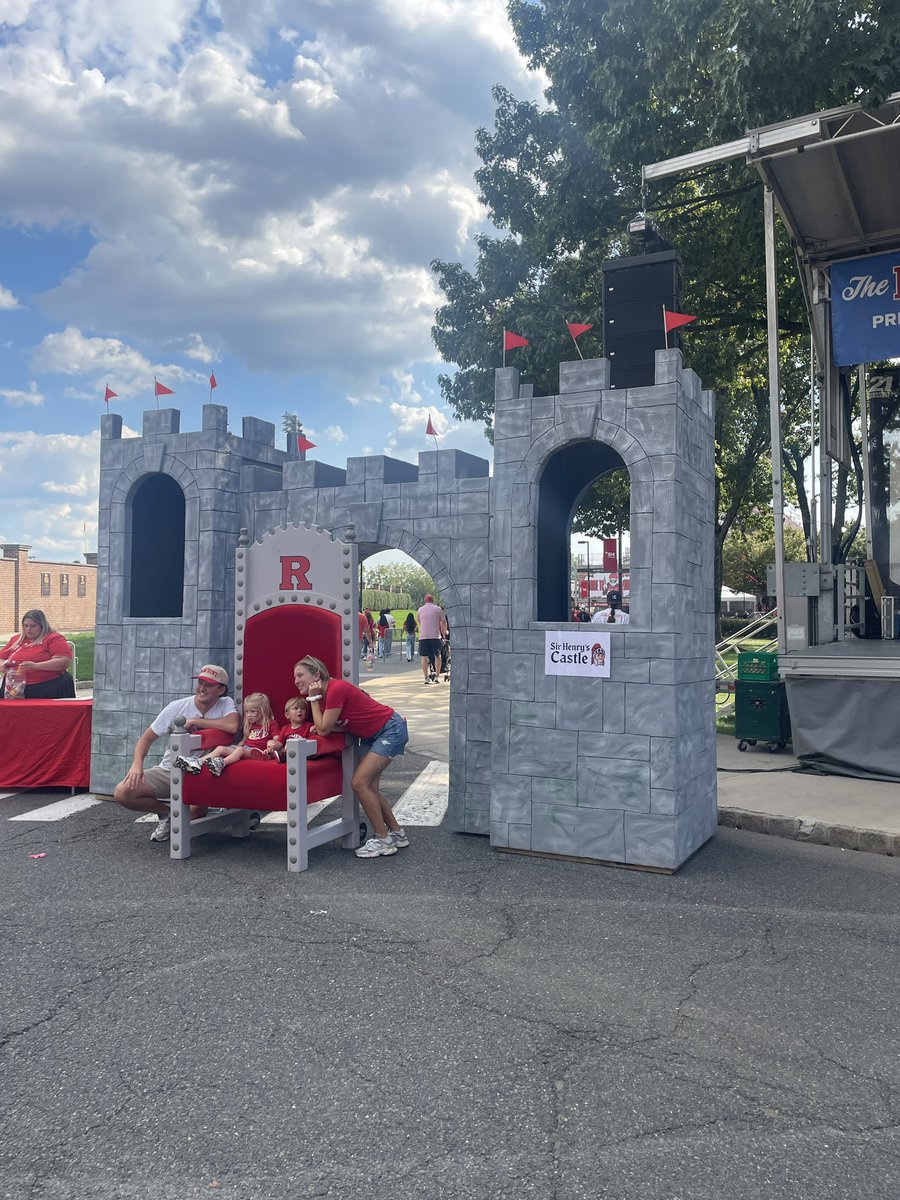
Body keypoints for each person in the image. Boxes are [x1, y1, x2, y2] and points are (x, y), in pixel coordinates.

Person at [293, 655, 409, 859]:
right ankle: (397, 833)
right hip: (371, 735)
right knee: (369, 787)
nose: (296, 681)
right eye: (294, 677)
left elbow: (323, 729)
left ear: (316, 675)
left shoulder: (334, 689)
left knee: (358, 784)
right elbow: (334, 723)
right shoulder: (328, 694)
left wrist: (312, 699)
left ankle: (383, 840)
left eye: (300, 675)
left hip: (389, 729)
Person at [112, 664, 240, 843]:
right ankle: (168, 814)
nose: (201, 688)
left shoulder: (225, 703)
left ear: (221, 690)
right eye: (200, 682)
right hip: (170, 770)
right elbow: (145, 740)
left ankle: (181, 815)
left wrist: (196, 721)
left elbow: (233, 726)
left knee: (196, 814)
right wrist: (136, 765)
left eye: (208, 685)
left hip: (200, 773)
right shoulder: (176, 707)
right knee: (123, 792)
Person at [175, 692, 278, 776]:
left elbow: (277, 739)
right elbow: (244, 740)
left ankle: (221, 764)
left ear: (263, 711)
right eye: (246, 712)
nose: (248, 715)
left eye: (253, 711)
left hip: (260, 753)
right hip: (246, 749)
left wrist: (272, 745)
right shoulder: (251, 725)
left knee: (240, 750)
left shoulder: (271, 724)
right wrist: (238, 745)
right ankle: (198, 762)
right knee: (221, 748)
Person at [0, 609, 75, 699]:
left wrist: (36, 666)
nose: (28, 629)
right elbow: (1, 658)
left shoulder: (53, 638)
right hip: (14, 688)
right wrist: (3, 665)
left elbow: (63, 661)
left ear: (42, 625)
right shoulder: (16, 639)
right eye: (26, 626)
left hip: (45, 687)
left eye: (33, 626)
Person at [418, 593, 444, 684]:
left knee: (424, 657)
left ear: (425, 601)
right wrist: (444, 634)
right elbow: (443, 621)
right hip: (435, 636)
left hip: (423, 636)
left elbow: (419, 621)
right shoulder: (438, 609)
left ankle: (426, 677)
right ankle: (437, 676)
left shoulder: (420, 610)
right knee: (437, 655)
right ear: (433, 601)